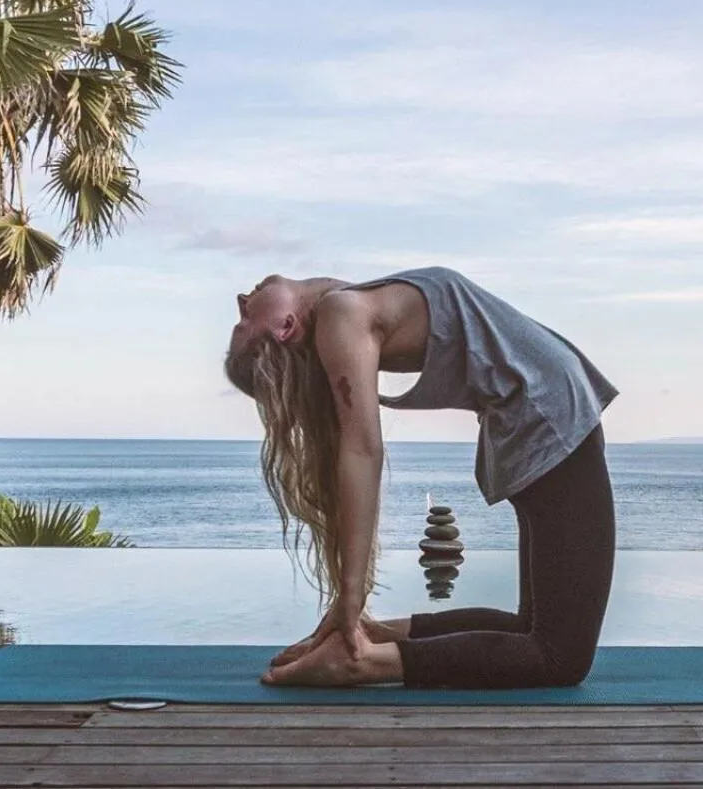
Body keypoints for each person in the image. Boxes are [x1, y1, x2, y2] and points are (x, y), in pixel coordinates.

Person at [223, 266, 617, 688]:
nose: (242, 302)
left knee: (532, 630)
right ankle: (362, 662)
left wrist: (353, 615)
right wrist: (350, 600)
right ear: (286, 326)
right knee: (559, 658)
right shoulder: (342, 314)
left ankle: (373, 637)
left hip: (537, 417)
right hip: (550, 417)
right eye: (244, 323)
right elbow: (362, 449)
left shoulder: (341, 305)